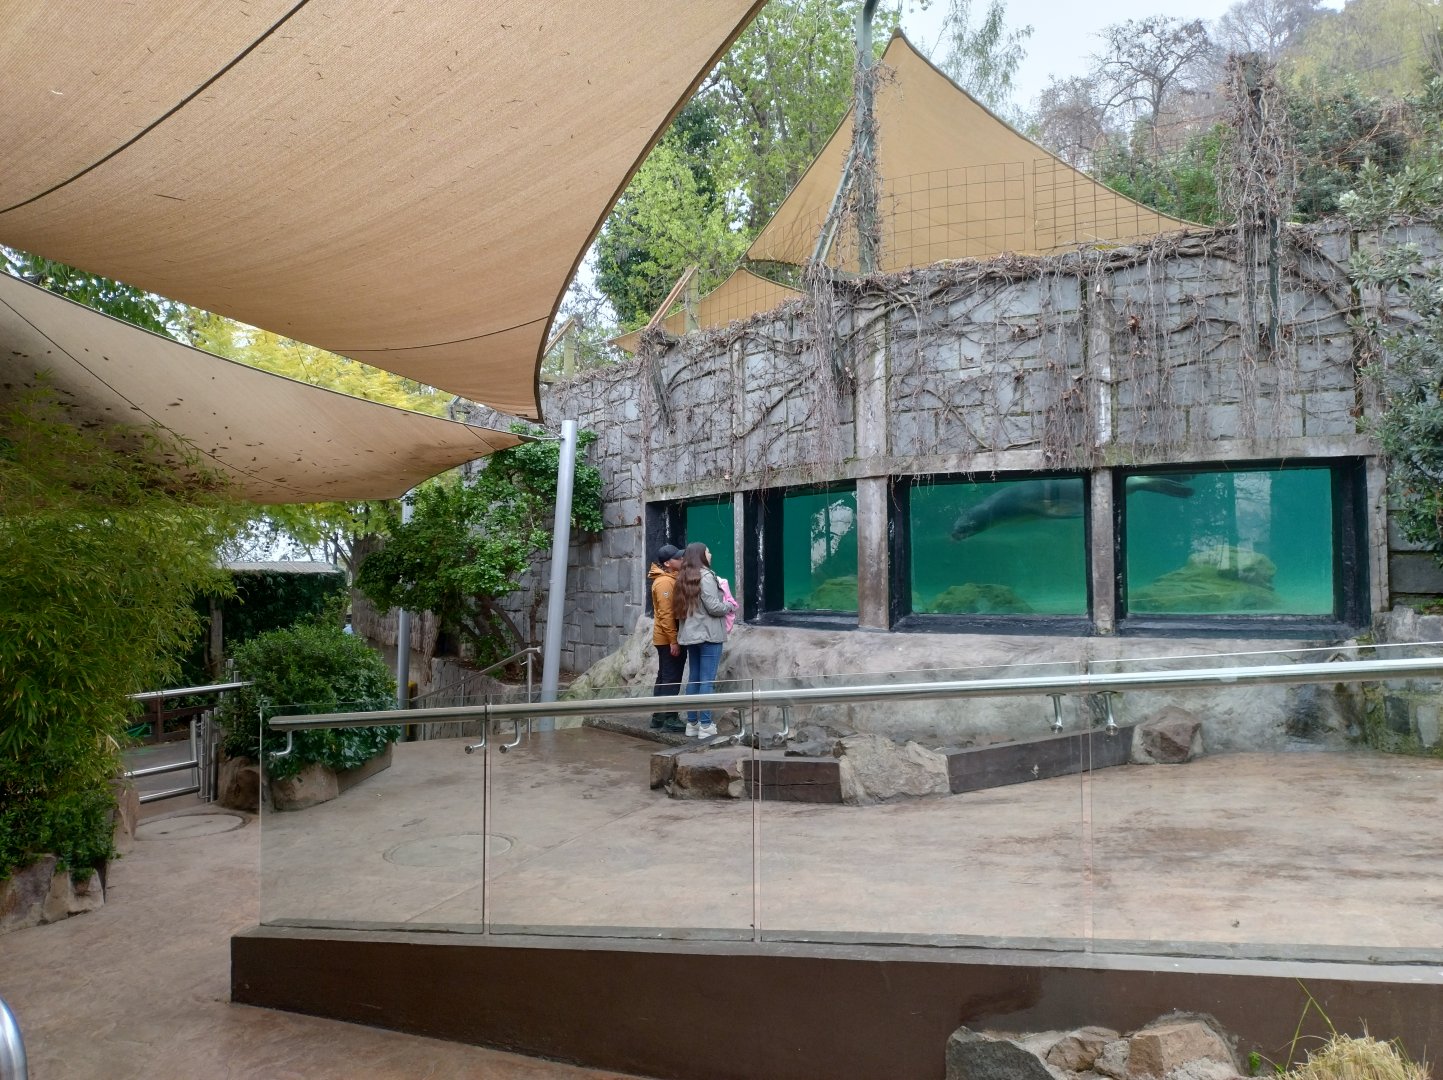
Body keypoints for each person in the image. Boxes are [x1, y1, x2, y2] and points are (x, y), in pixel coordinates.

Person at [672, 542, 731, 738]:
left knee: (694, 679)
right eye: (708, 551)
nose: (711, 553)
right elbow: (714, 607)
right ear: (700, 555)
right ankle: (706, 725)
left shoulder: (682, 577)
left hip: (691, 636)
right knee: (707, 681)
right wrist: (729, 606)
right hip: (708, 635)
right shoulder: (705, 576)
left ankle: (692, 723)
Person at [647, 543, 686, 731]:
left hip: (665, 638)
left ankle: (659, 716)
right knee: (671, 678)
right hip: (667, 639)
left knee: (664, 677)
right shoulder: (664, 582)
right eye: (678, 558)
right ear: (668, 563)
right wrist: (674, 640)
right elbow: (665, 614)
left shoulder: (670, 578)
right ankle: (670, 719)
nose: (682, 560)